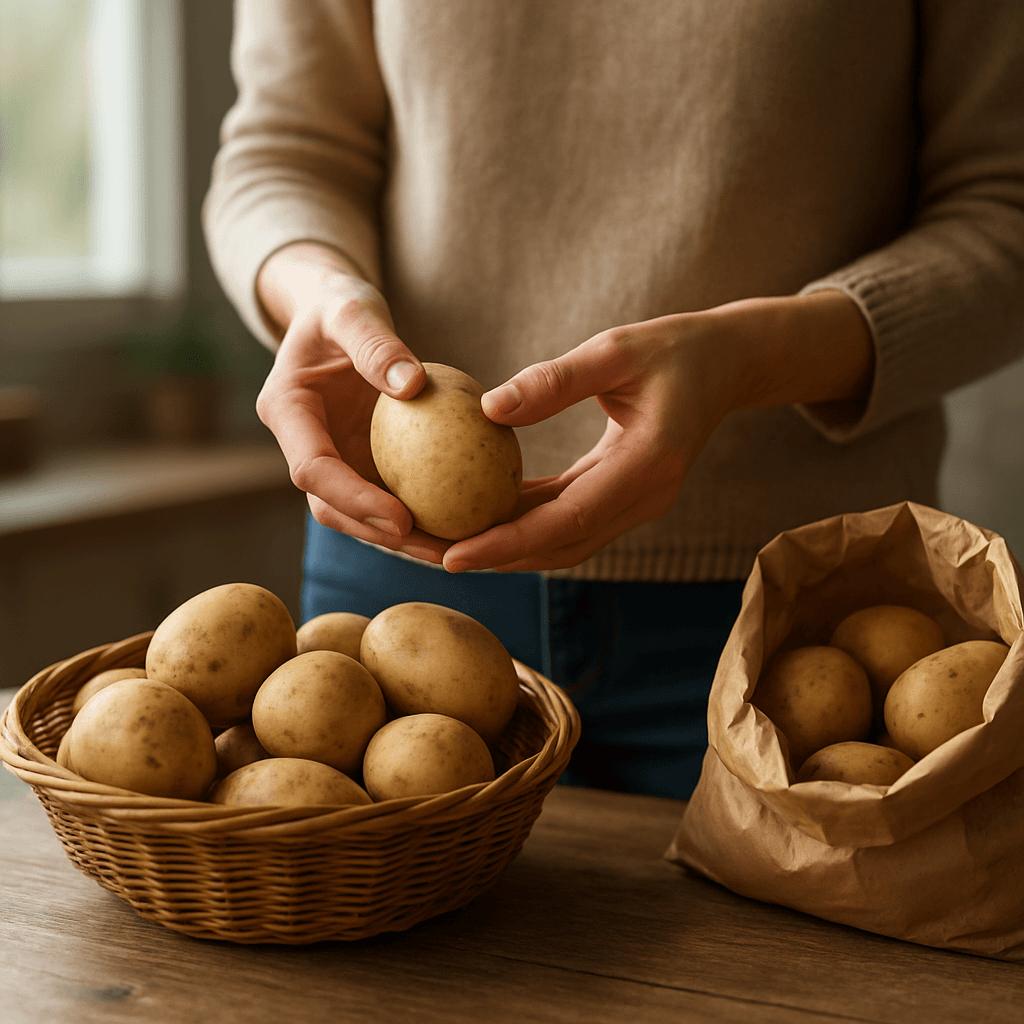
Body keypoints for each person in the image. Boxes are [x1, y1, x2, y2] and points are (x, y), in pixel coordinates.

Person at [204, 1, 1024, 799]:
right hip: (399, 594)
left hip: (796, 617)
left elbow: (1004, 205)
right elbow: (284, 151)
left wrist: (753, 362)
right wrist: (319, 292)